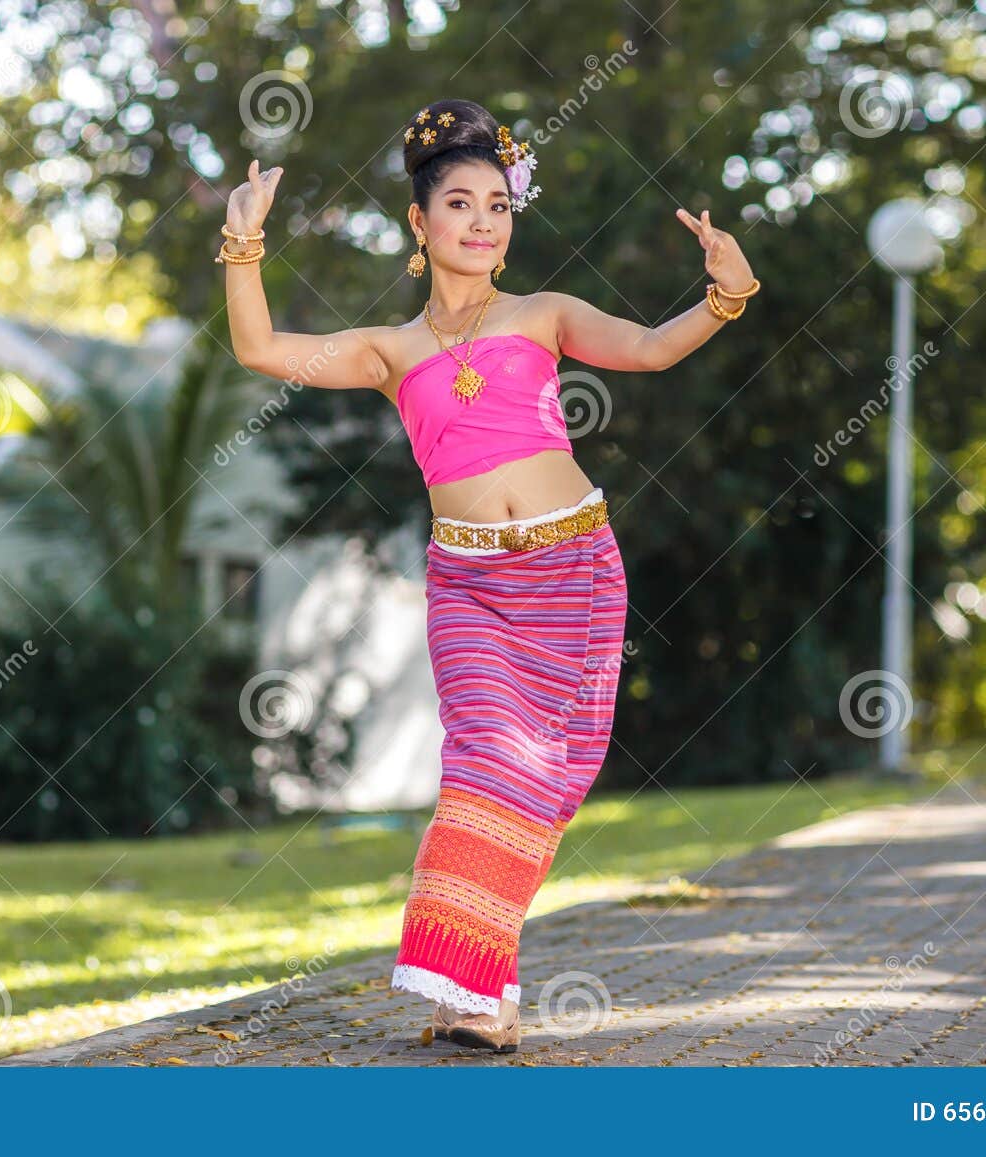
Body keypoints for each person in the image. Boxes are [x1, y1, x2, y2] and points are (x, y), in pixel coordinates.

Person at [218, 97, 757, 1054]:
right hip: (467, 583)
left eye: (498, 205)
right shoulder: (393, 351)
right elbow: (261, 349)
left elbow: (647, 348)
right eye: (459, 203)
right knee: (485, 761)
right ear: (419, 225)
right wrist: (244, 245)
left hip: (574, 568)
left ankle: (486, 991)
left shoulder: (544, 316)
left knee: (544, 778)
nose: (481, 220)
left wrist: (723, 295)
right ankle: (471, 989)